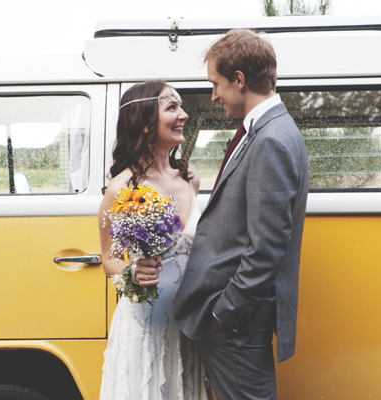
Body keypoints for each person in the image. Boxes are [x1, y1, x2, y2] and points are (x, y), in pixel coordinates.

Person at [173, 29, 309, 400]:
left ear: (239, 80)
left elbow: (266, 248)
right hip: (238, 320)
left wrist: (224, 313)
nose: (213, 94)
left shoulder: (271, 140)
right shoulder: (264, 131)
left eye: (216, 84)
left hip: (236, 324)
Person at [98, 80, 209, 400]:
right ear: (144, 123)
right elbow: (109, 258)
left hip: (186, 326)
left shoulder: (191, 179)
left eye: (181, 106)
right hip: (144, 325)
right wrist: (131, 274)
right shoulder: (121, 189)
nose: (184, 114)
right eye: (172, 107)